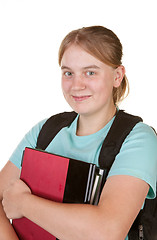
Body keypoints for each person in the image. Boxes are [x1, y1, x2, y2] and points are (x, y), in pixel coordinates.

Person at [1, 25, 157, 240]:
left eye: (90, 72)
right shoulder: (45, 131)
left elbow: (106, 232)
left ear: (117, 76)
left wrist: (23, 204)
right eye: (68, 73)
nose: (76, 85)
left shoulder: (139, 140)